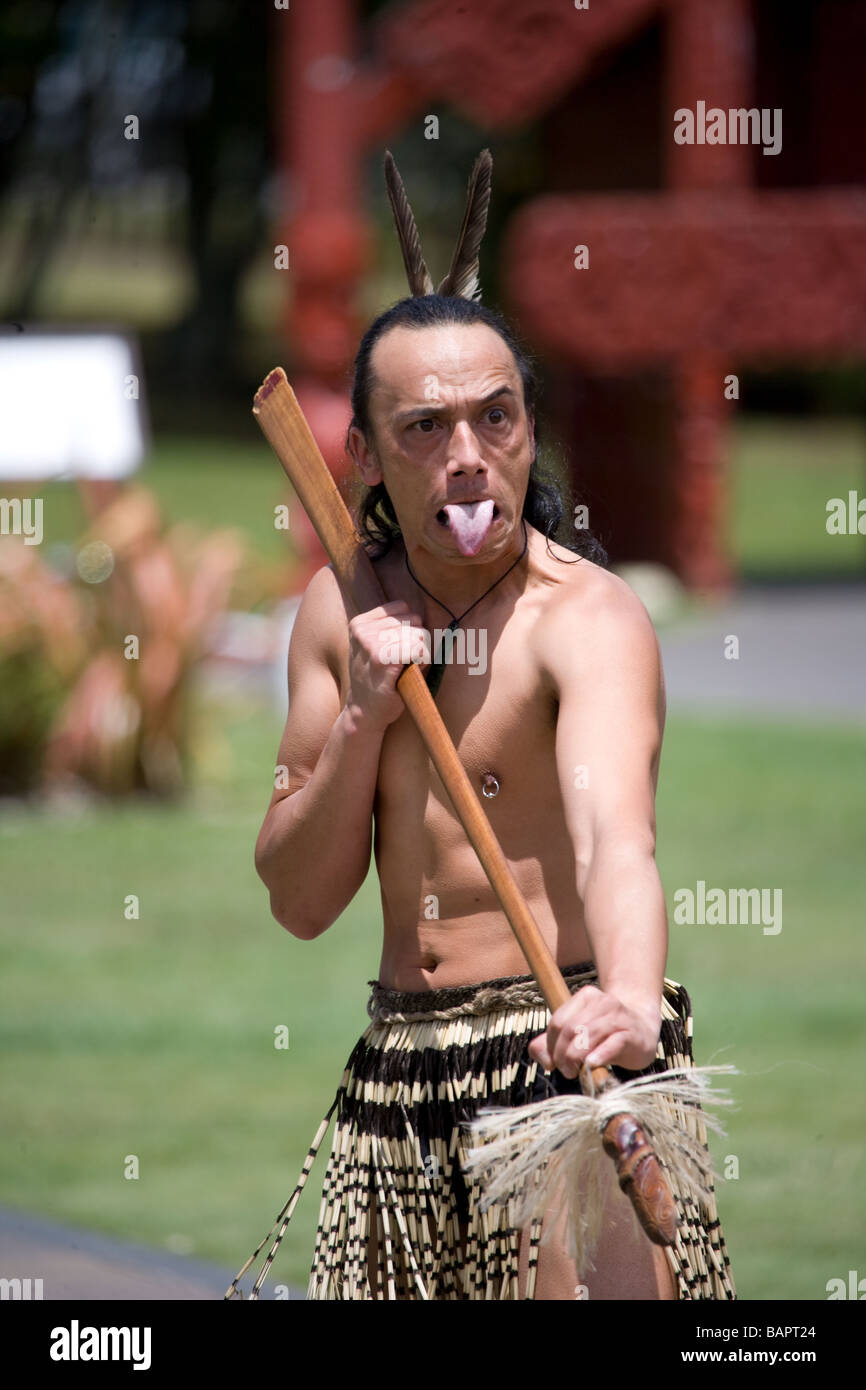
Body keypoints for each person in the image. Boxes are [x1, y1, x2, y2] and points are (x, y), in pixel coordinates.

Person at [226, 153, 736, 1302]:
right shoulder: (336, 611)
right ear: (360, 454)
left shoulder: (586, 618)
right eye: (424, 425)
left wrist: (630, 1004)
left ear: (526, 430)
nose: (465, 452)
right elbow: (299, 899)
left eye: (492, 417)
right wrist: (361, 709)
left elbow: (618, 841)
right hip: (399, 1080)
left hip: (567, 1060)